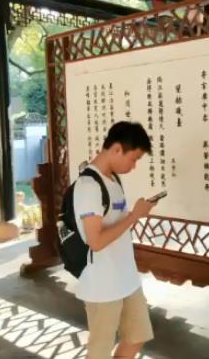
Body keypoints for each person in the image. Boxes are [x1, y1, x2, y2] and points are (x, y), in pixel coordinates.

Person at [73, 121, 156, 359]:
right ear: (117, 149)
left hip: (126, 277)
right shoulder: (89, 186)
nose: (134, 166)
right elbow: (96, 242)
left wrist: (133, 216)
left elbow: (117, 224)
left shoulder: (113, 179)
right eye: (134, 159)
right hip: (102, 283)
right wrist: (134, 216)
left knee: (137, 336)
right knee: (99, 351)